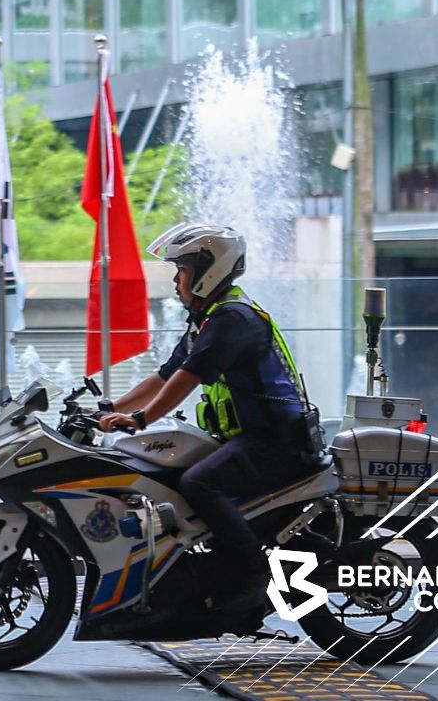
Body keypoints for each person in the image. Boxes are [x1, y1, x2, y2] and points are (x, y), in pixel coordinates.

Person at [98, 221, 326, 600]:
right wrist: (108, 410)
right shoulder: (211, 318)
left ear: (208, 270)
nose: (176, 281)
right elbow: (165, 375)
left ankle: (252, 570)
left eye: (182, 271)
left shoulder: (232, 320)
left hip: (275, 441)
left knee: (198, 482)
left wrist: (139, 420)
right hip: (257, 437)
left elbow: (187, 378)